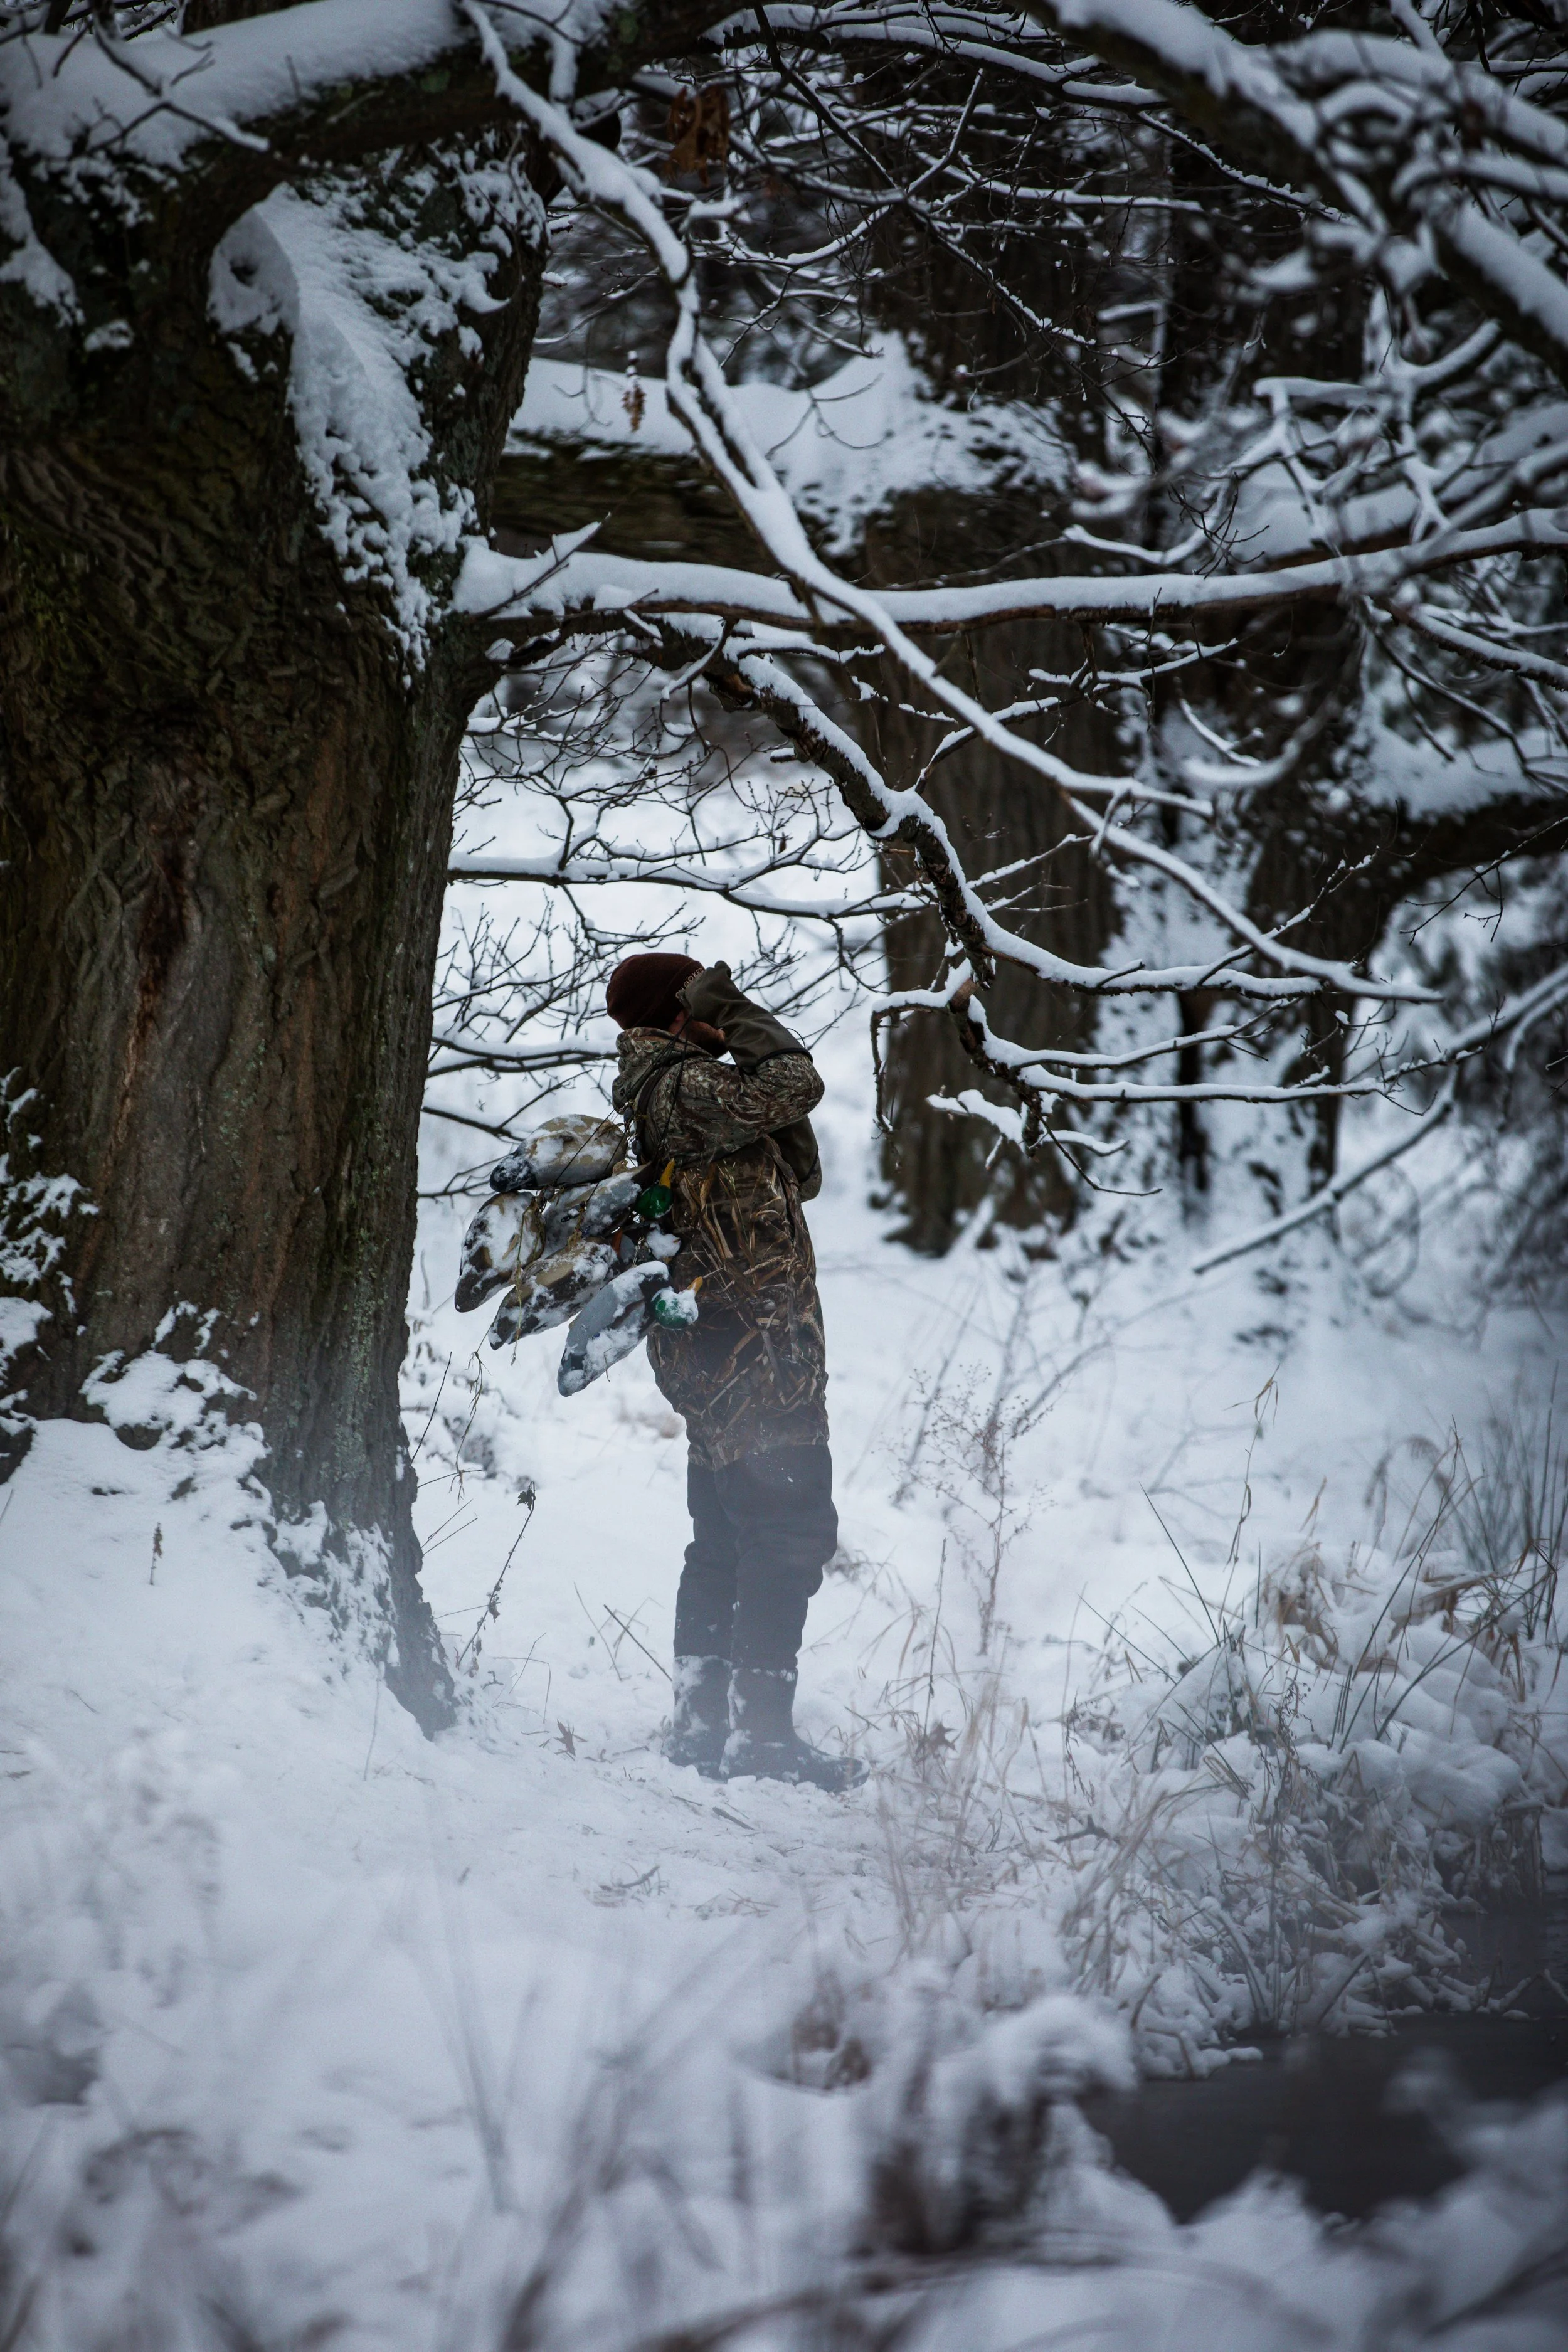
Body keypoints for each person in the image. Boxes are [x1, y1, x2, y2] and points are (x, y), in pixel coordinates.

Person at [606, 951, 867, 1793]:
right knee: (785, 1537)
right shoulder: (685, 1087)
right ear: (680, 1010)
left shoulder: (676, 1091)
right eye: (700, 999)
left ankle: (700, 1722)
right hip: (753, 1358)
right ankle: (760, 1739)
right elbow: (796, 1081)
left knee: (723, 1537)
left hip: (721, 1352)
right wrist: (742, 1013)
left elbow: (801, 1170)